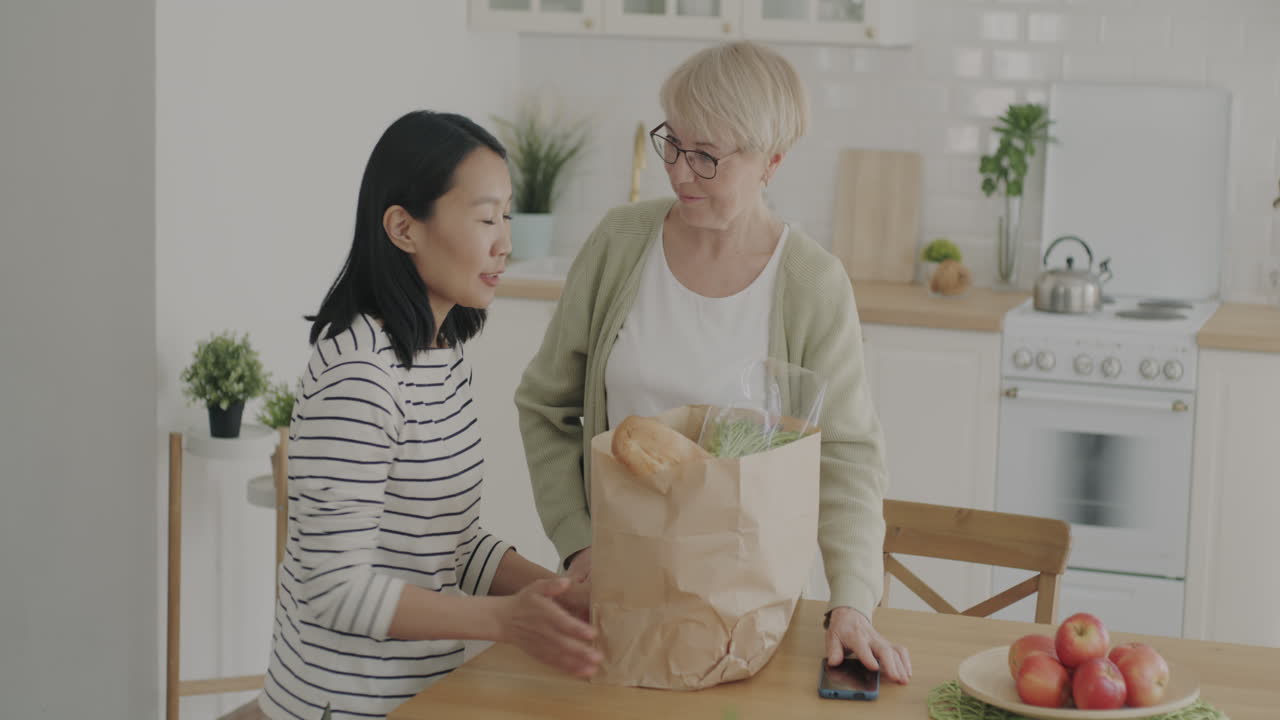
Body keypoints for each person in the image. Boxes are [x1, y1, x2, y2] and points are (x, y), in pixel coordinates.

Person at [514, 41, 912, 684]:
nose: (679, 172)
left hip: (748, 616)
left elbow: (847, 455)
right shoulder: (618, 245)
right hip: (614, 600)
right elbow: (545, 405)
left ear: (771, 163)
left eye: (707, 157)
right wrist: (577, 540)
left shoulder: (811, 282)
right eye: (673, 142)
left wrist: (852, 602)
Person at [256, 110, 600, 720]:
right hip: (341, 704)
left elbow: (449, 543)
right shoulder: (359, 378)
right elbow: (334, 591)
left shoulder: (439, 355)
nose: (505, 242)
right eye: (486, 217)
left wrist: (554, 594)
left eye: (508, 216)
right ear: (403, 227)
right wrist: (506, 621)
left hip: (425, 694)